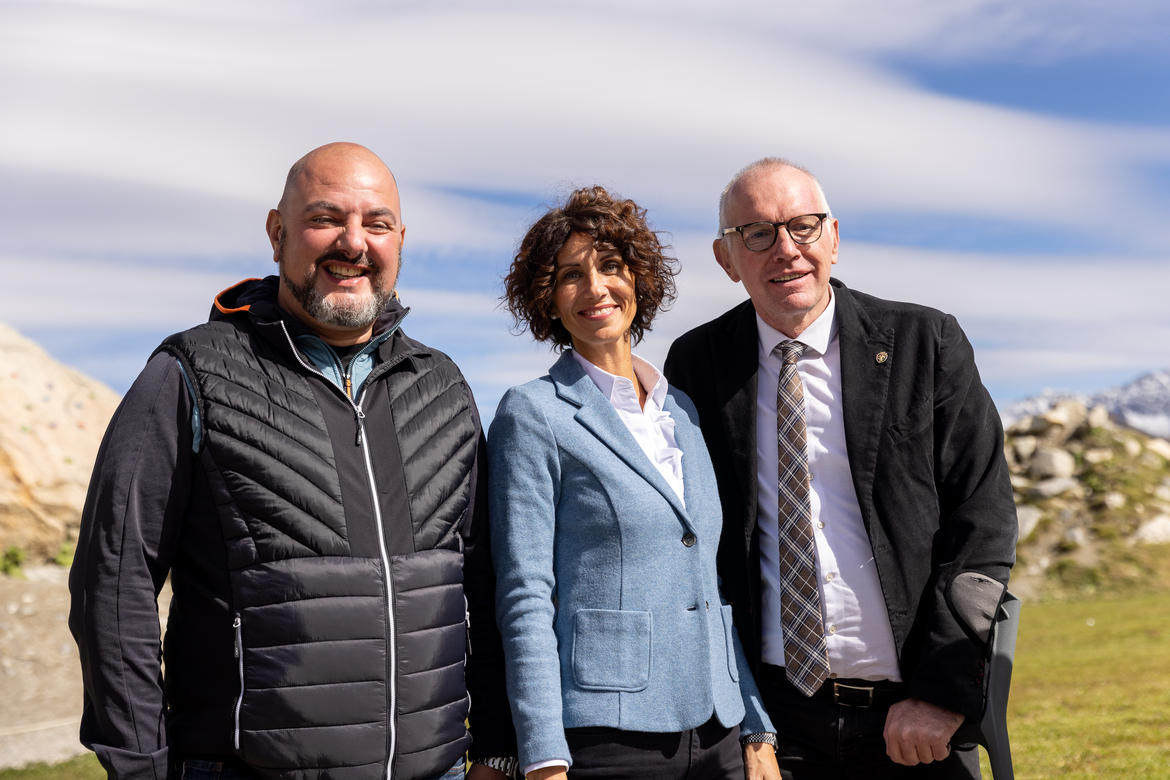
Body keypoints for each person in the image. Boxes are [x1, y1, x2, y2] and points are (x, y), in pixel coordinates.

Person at [69, 142, 516, 779]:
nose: (353, 242)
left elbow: (484, 580)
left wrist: (497, 745)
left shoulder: (442, 386)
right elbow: (113, 587)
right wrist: (140, 766)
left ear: (401, 239)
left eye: (377, 223)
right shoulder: (188, 374)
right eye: (326, 218)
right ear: (278, 232)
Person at [663, 158, 1018, 779]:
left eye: (803, 227)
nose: (786, 250)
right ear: (726, 258)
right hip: (774, 723)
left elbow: (981, 520)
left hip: (914, 718)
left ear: (833, 237)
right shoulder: (698, 363)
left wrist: (940, 694)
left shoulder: (924, 343)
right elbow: (698, 546)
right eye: (757, 234)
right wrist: (745, 719)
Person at [488, 186, 779, 780]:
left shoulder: (685, 413)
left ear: (639, 280)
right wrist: (543, 755)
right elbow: (524, 594)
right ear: (547, 300)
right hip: (607, 738)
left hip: (720, 730)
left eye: (612, 266)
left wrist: (756, 727)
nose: (596, 288)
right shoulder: (532, 413)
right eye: (571, 275)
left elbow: (711, 584)